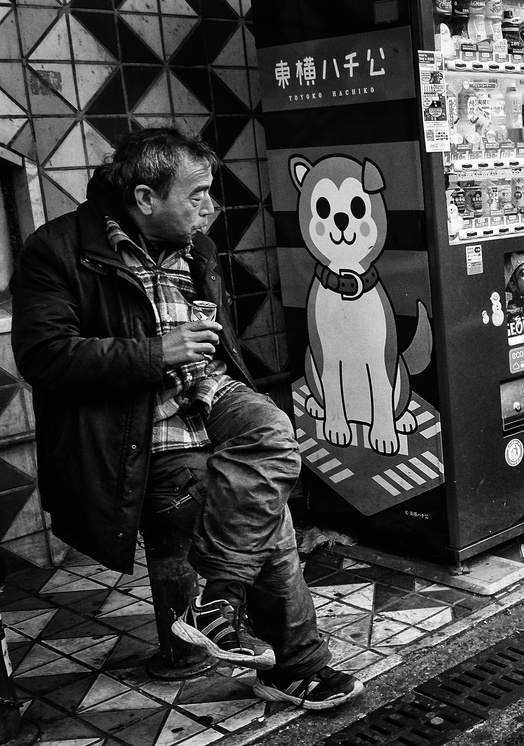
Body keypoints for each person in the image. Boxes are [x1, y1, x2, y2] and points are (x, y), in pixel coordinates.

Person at [10, 127, 363, 711]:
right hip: (136, 434)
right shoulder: (56, 250)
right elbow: (42, 357)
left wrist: (198, 348)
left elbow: (211, 346)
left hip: (208, 395)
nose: (211, 207)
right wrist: (158, 352)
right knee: (265, 515)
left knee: (275, 435)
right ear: (146, 199)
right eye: (197, 194)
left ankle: (217, 607)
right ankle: (295, 663)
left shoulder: (194, 247)